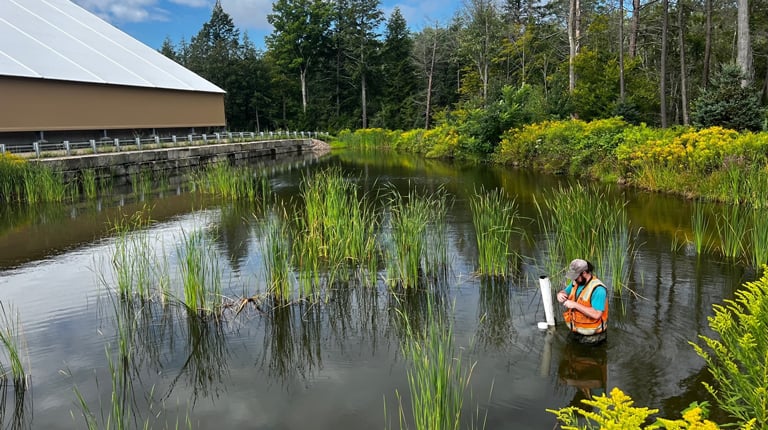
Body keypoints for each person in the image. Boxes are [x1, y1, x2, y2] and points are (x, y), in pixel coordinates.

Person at [556, 259, 608, 345]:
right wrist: (560, 294)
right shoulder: (576, 282)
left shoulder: (599, 290)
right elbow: (565, 291)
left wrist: (575, 305)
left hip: (593, 338)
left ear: (584, 273)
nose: (574, 279)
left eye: (576, 276)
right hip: (576, 331)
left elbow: (596, 314)